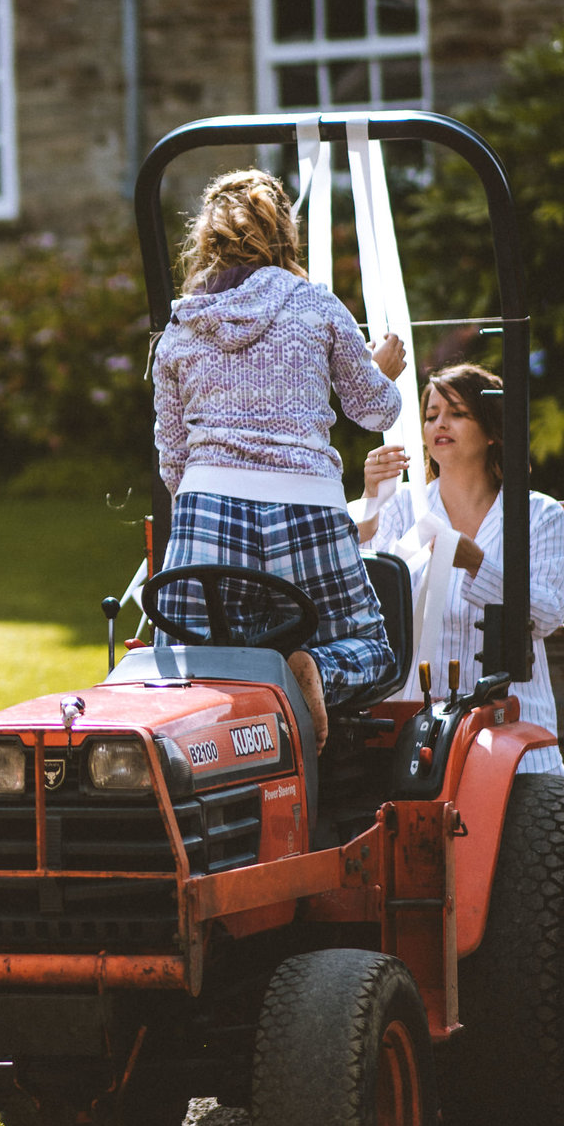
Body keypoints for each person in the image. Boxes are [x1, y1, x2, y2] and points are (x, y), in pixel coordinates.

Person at [152, 168, 408, 749]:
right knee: (371, 647)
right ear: (283, 237)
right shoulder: (316, 305)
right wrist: (382, 373)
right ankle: (315, 669)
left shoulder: (181, 326)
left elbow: (172, 457)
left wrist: (197, 516)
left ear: (207, 244)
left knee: (185, 662)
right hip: (305, 506)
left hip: (208, 506)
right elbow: (375, 412)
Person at [360, 361, 564, 774]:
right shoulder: (402, 505)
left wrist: (477, 563)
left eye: (457, 413)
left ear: (492, 431)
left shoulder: (539, 514)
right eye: (431, 415)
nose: (441, 423)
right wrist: (370, 499)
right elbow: (366, 600)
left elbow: (546, 615)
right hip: (416, 731)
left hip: (514, 733)